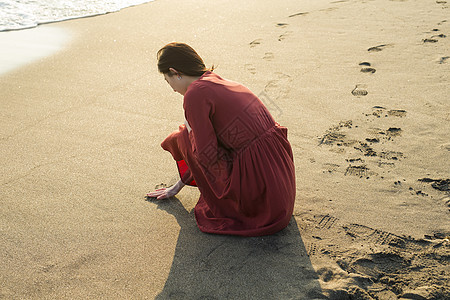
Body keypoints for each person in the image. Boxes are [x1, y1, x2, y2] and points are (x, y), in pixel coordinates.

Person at [146, 42, 296, 236]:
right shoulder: (215, 79)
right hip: (280, 190)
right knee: (190, 134)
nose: (173, 89)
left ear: (175, 72)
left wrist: (190, 130)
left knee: (181, 136)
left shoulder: (195, 94)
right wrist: (179, 185)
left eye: (168, 81)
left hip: (260, 204)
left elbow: (206, 157)